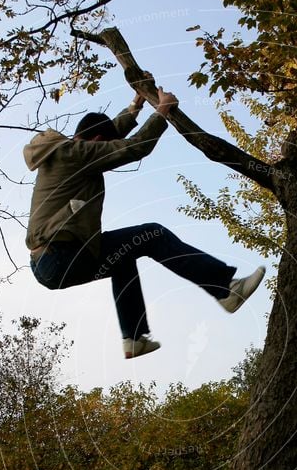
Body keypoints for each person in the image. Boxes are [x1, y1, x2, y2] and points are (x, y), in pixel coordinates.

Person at [24, 85, 265, 358]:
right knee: (152, 235)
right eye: (103, 146)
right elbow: (131, 148)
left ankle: (134, 338)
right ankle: (226, 289)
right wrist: (161, 111)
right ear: (96, 141)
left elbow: (109, 137)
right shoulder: (75, 153)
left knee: (124, 257)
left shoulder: (67, 152)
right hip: (62, 257)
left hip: (52, 263)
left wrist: (136, 104)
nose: (107, 156)